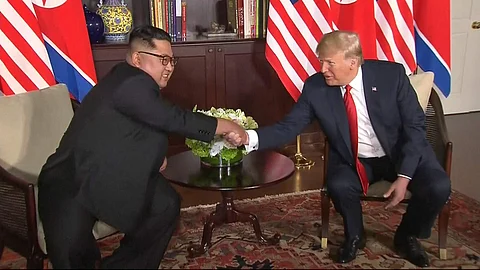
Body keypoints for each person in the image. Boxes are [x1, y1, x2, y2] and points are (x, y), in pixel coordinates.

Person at [226, 30, 450, 267]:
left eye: (329, 62)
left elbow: (415, 126)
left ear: (352, 62)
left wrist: (404, 177)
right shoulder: (316, 87)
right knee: (339, 184)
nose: (323, 69)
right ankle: (355, 235)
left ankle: (407, 235)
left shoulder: (391, 76)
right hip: (355, 158)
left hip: (401, 152)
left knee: (438, 186)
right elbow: (288, 127)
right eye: (321, 61)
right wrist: (247, 137)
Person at [37, 25, 247, 269]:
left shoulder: (129, 80)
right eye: (163, 59)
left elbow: (140, 124)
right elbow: (173, 118)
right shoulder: (132, 81)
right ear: (138, 58)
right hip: (70, 182)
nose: (169, 67)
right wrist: (226, 125)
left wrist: (156, 155)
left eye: (172, 60)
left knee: (165, 205)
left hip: (110, 171)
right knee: (73, 256)